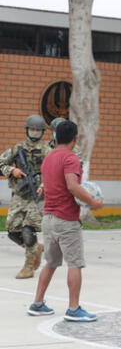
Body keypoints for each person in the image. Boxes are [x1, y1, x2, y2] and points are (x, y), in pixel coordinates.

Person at [28, 120, 104, 321]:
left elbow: (52, 184)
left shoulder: (49, 158)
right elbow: (72, 185)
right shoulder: (70, 158)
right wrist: (93, 202)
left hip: (48, 218)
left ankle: (37, 303)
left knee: (50, 263)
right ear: (74, 139)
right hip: (66, 220)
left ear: (54, 137)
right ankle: (73, 308)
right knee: (75, 264)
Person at [0, 115, 50, 279]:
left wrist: (43, 184)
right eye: (32, 129)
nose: (34, 132)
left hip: (38, 196)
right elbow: (1, 163)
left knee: (28, 229)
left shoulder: (47, 150)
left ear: (42, 132)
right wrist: (11, 171)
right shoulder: (17, 148)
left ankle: (28, 267)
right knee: (13, 232)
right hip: (20, 195)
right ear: (27, 130)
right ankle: (36, 248)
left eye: (38, 130)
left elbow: (54, 171)